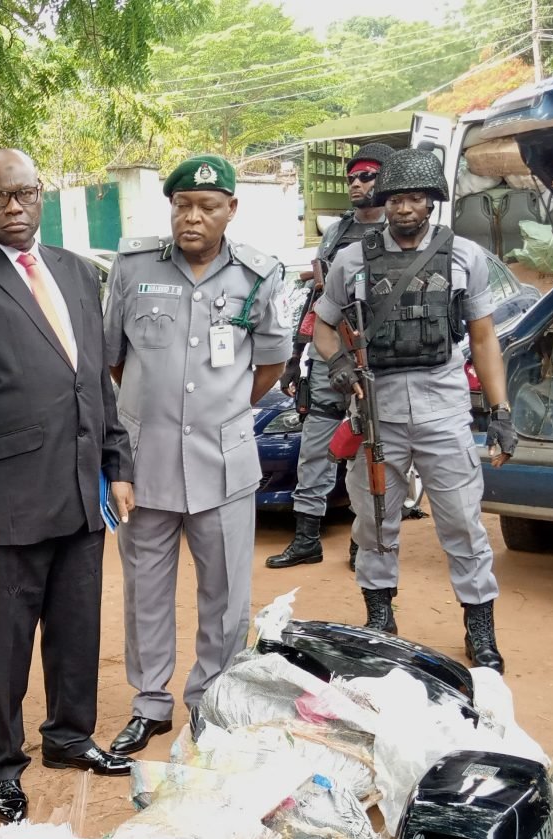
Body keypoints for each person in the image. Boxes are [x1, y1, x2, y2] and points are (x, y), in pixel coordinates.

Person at [0, 148, 136, 825]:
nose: (14, 208)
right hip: (2, 505)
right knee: (5, 642)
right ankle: (5, 763)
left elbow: (94, 380)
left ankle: (70, 738)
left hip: (78, 492)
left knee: (77, 629)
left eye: (25, 195)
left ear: (41, 197)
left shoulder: (74, 271)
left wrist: (117, 462)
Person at [103, 155, 291, 756]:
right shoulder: (133, 268)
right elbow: (114, 358)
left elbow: (271, 363)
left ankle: (210, 700)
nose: (193, 216)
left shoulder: (259, 276)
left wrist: (224, 409)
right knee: (146, 588)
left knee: (227, 591)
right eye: (183, 204)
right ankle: (151, 702)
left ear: (230, 210)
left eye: (207, 206)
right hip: (146, 460)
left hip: (222, 460)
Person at [312, 148, 512, 670]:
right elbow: (324, 327)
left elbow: (484, 339)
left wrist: (501, 411)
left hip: (443, 407)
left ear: (432, 203)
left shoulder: (465, 256)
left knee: (464, 522)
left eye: (416, 198)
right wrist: (337, 367)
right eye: (397, 197)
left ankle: (480, 629)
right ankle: (380, 621)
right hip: (375, 409)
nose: (405, 208)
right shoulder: (351, 260)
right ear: (384, 200)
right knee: (374, 520)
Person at [267, 141, 393, 570]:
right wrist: (294, 357)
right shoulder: (336, 232)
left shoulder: (402, 232)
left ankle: (364, 540)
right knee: (317, 445)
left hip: (377, 359)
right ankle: (307, 539)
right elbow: (317, 301)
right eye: (352, 178)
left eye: (367, 176)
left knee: (371, 449)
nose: (357, 184)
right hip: (327, 353)